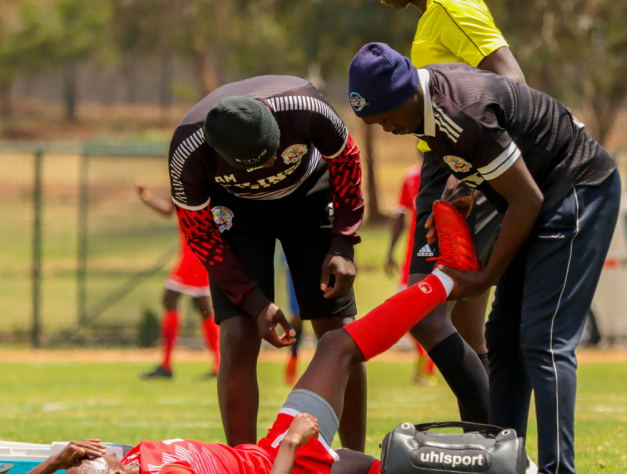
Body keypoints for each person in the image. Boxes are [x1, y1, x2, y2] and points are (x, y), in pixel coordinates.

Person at [27, 202, 477, 474]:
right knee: (338, 347)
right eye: (88, 468)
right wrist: (291, 442)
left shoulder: (125, 460)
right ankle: (448, 277)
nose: (85, 462)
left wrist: (53, 461)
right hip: (285, 457)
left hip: (276, 453)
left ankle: (508, 462)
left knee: (390, 465)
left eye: (80, 467)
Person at [348, 43, 621, 474]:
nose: (386, 129)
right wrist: (463, 192)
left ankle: (556, 470)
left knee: (543, 340)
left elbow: (526, 199)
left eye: (386, 118)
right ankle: (506, 464)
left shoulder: (459, 111)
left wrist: (488, 276)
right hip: (537, 196)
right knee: (504, 336)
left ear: (407, 94)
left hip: (576, 186)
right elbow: (479, 169)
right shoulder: (423, 113)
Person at [167, 76, 367, 451]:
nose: (274, 162)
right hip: (236, 211)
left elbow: (347, 161)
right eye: (261, 161)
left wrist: (342, 242)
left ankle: (357, 459)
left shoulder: (306, 109)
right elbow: (200, 235)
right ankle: (243, 462)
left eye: (275, 149)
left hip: (309, 195)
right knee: (239, 335)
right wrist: (255, 302)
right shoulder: (189, 153)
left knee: (338, 331)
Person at [368, 0, 526, 425]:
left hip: (454, 169)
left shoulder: (451, 3)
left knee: (427, 315)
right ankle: (493, 448)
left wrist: (471, 174)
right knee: (466, 327)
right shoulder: (434, 13)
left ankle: (496, 444)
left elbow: (513, 82)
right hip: (450, 163)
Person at [135, 180, 220, 380]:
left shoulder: (199, 180)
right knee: (202, 306)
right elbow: (168, 210)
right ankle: (219, 364)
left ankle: (166, 366)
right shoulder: (183, 179)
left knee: (170, 297)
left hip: (196, 252)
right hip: (196, 251)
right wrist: (146, 198)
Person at [384, 164, 435, 386]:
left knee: (436, 312)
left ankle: (429, 364)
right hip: (412, 256)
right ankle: (424, 354)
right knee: (406, 313)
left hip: (440, 255)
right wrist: (390, 252)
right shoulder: (411, 177)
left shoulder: (450, 173)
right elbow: (400, 216)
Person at [282, 253, 304, 386]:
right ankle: (293, 356)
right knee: (297, 315)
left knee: (324, 316)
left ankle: (326, 363)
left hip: (321, 256)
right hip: (293, 260)